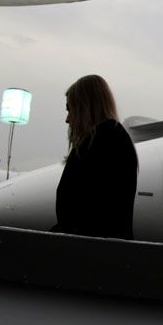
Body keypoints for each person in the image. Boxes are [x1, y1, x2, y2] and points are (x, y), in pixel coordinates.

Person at [52, 74, 138, 238]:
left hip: (88, 250)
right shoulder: (112, 138)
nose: (68, 119)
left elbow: (86, 212)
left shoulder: (102, 141)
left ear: (86, 107)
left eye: (71, 109)